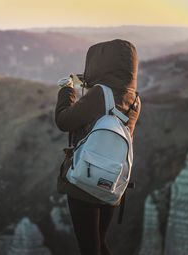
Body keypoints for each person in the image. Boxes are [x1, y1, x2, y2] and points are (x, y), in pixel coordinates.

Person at [55, 39, 141, 255]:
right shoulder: (135, 100)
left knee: (89, 247)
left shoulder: (100, 93)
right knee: (99, 244)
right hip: (112, 181)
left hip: (85, 179)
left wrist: (67, 90)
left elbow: (64, 121)